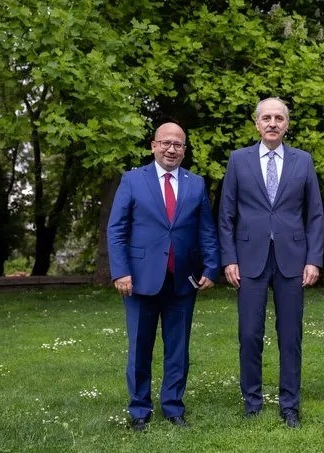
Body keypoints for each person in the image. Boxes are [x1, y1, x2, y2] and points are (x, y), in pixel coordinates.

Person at [218, 97, 324, 428]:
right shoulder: (238, 160)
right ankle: (252, 401)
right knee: (249, 334)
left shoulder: (303, 161)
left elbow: (315, 215)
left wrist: (314, 259)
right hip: (249, 260)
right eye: (266, 118)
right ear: (257, 124)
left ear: (287, 124)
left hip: (293, 260)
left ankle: (290, 405)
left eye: (279, 118)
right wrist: (229, 258)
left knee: (290, 336)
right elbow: (226, 215)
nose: (273, 123)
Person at [107, 122, 220, 431]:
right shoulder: (132, 180)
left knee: (178, 350)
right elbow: (116, 230)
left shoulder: (196, 184)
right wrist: (121, 271)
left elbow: (206, 231)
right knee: (139, 348)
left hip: (182, 281)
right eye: (166, 143)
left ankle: (173, 407)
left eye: (178, 144)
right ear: (153, 145)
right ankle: (139, 410)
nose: (171, 149)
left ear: (184, 150)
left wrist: (211, 268)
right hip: (140, 280)